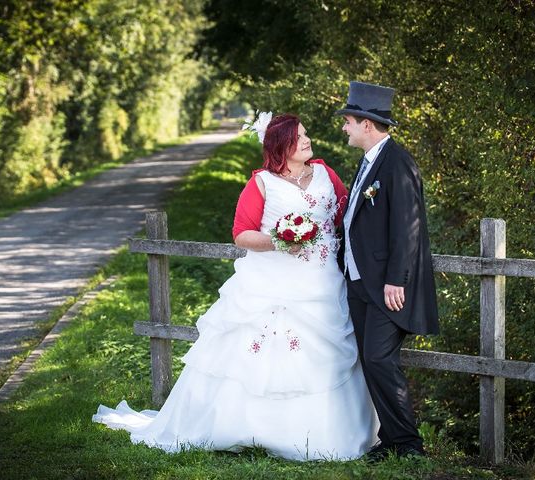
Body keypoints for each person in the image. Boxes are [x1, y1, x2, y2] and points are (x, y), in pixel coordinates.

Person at [93, 113, 378, 461]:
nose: (307, 141)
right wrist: (279, 240)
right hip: (270, 281)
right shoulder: (261, 183)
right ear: (281, 146)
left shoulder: (325, 174)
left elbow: (343, 214)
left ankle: (331, 433)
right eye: (299, 137)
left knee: (324, 353)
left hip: (322, 280)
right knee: (259, 354)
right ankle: (247, 428)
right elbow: (241, 233)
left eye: (306, 134)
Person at [335, 81, 440, 460]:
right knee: (368, 358)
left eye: (347, 121)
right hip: (360, 282)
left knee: (380, 358)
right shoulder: (368, 162)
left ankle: (410, 444)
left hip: (387, 286)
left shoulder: (398, 162)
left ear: (366, 123)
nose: (344, 128)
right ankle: (392, 441)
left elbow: (408, 226)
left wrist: (398, 279)